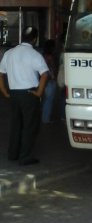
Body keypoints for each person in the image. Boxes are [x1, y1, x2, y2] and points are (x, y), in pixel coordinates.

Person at [0, 26, 49, 165]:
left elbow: (1, 73)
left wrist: (4, 91)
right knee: (29, 125)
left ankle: (13, 154)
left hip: (14, 93)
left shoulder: (9, 53)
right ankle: (25, 156)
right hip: (29, 93)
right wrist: (39, 92)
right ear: (35, 39)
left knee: (16, 124)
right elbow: (45, 74)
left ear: (22, 37)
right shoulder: (34, 54)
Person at [41, 39, 57, 123]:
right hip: (49, 81)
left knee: (45, 100)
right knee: (48, 101)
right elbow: (51, 70)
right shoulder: (50, 57)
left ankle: (44, 118)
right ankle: (46, 119)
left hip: (44, 81)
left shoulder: (43, 56)